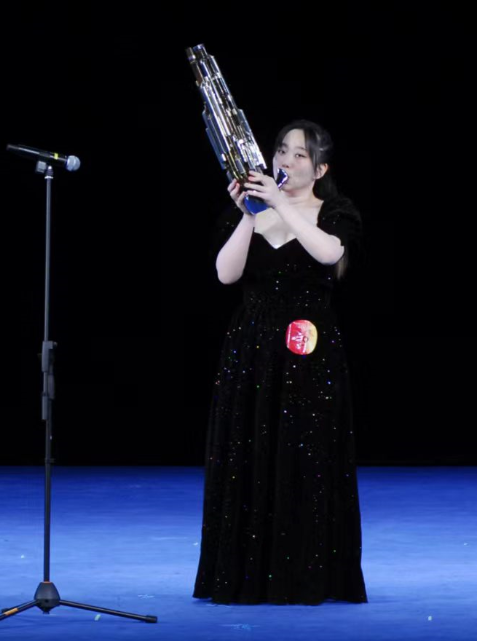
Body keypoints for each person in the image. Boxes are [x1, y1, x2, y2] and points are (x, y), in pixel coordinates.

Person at [193, 120, 368, 604]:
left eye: (299, 155)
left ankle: (306, 575)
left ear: (320, 168)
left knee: (305, 457)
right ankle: (243, 575)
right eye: (281, 151)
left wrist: (281, 204)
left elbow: (328, 252)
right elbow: (225, 274)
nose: (286, 161)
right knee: (245, 455)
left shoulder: (335, 212)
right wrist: (248, 214)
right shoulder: (254, 209)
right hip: (251, 348)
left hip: (307, 349)